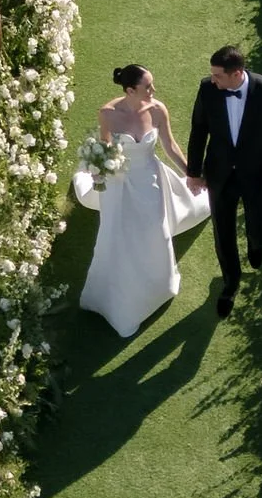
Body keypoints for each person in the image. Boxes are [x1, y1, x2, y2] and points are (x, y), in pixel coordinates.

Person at [77, 64, 208, 338]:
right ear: (130, 90)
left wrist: (191, 175)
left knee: (155, 231)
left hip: (150, 181)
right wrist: (99, 170)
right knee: (118, 236)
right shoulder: (108, 113)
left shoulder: (158, 110)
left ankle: (158, 286)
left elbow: (170, 146)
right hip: (119, 183)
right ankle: (120, 299)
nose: (153, 90)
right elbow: (105, 147)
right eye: (147, 87)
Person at [185, 44, 262, 318]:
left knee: (261, 221)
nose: (213, 80)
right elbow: (199, 130)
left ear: (237, 73)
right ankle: (230, 283)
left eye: (218, 75)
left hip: (257, 173)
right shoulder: (207, 89)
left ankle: (256, 243)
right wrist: (194, 172)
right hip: (220, 174)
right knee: (223, 232)